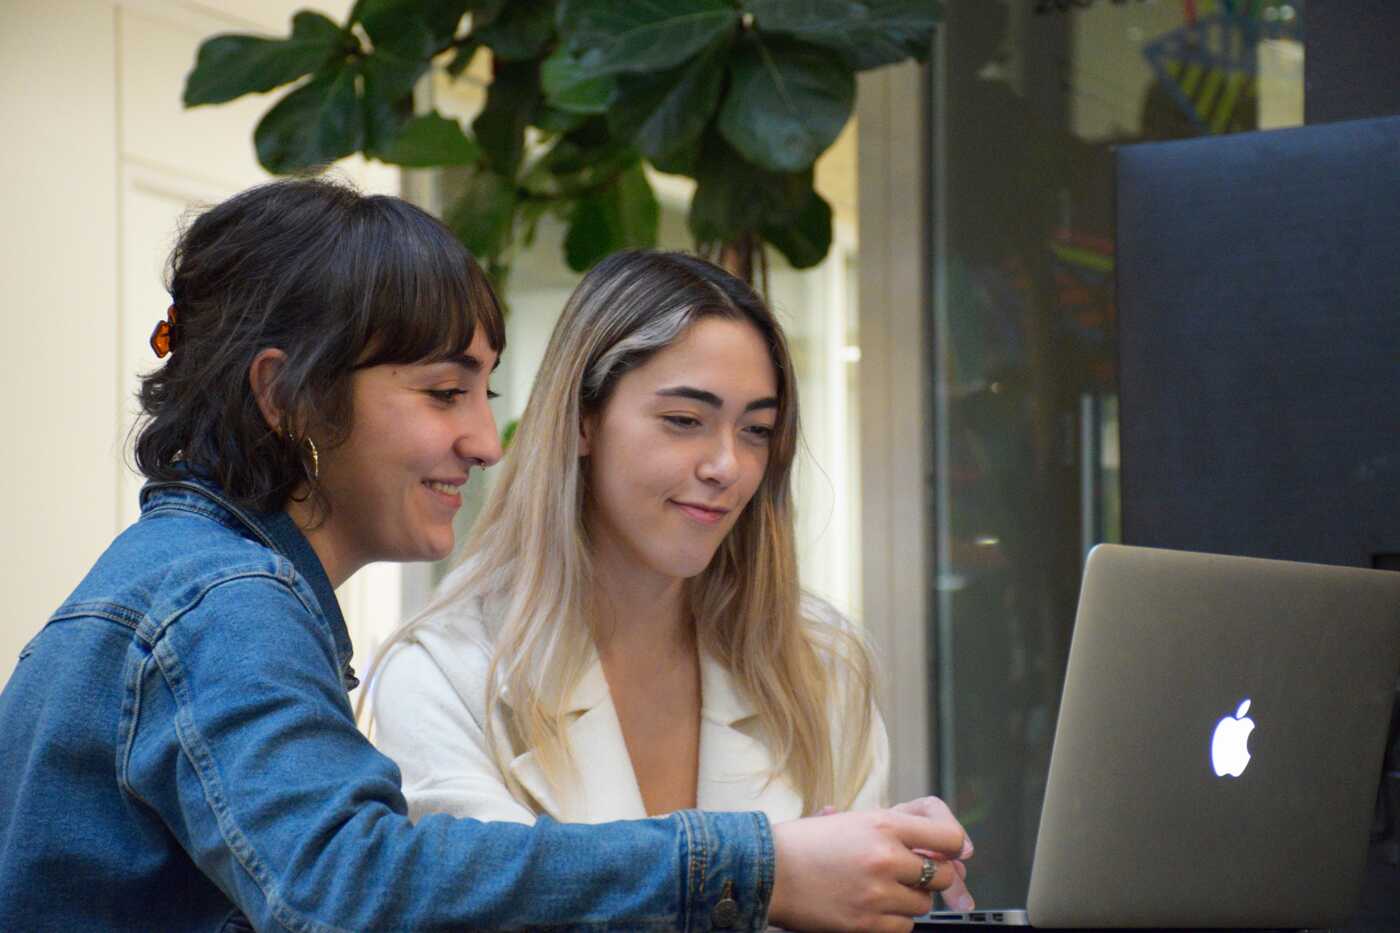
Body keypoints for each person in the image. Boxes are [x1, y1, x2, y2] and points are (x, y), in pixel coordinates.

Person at [0, 179, 971, 932]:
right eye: (441, 392)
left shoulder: (197, 584)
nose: (486, 441)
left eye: (485, 395)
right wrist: (760, 866)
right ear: (286, 397)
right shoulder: (221, 602)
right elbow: (357, 892)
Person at [367, 250, 972, 909]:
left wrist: (896, 874)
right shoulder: (444, 674)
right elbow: (489, 912)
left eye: (757, 431)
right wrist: (773, 877)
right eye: (685, 421)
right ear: (582, 420)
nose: (728, 465)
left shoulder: (820, 666)